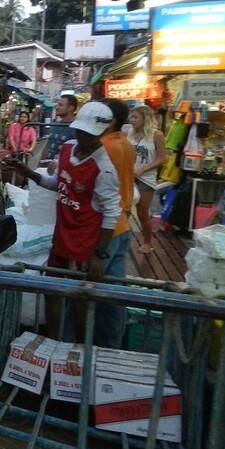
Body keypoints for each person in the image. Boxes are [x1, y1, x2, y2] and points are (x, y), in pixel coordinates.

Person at [4, 101, 121, 342]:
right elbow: (57, 183)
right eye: (80, 131)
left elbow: (111, 212)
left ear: (102, 133)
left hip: (84, 242)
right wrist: (27, 173)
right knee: (52, 292)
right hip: (61, 235)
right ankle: (52, 342)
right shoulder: (67, 148)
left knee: (79, 299)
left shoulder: (105, 169)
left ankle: (76, 349)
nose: (83, 137)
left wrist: (99, 254)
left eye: (89, 133)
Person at [97, 97, 136, 348]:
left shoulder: (101, 147)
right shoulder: (126, 145)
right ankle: (111, 346)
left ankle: (84, 347)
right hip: (123, 225)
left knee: (90, 292)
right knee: (113, 294)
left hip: (106, 230)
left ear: (109, 121)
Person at [124, 104, 167, 253]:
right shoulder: (128, 133)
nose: (132, 120)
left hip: (146, 177)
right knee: (125, 209)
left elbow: (162, 158)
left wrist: (142, 169)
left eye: (135, 117)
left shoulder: (157, 135)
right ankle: (123, 240)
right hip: (128, 176)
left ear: (145, 118)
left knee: (142, 212)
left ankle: (147, 241)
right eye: (131, 116)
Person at [45, 94, 78, 162]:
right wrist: (40, 164)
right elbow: (47, 146)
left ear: (70, 108)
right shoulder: (55, 125)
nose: (57, 107)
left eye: (60, 105)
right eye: (57, 105)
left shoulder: (77, 128)